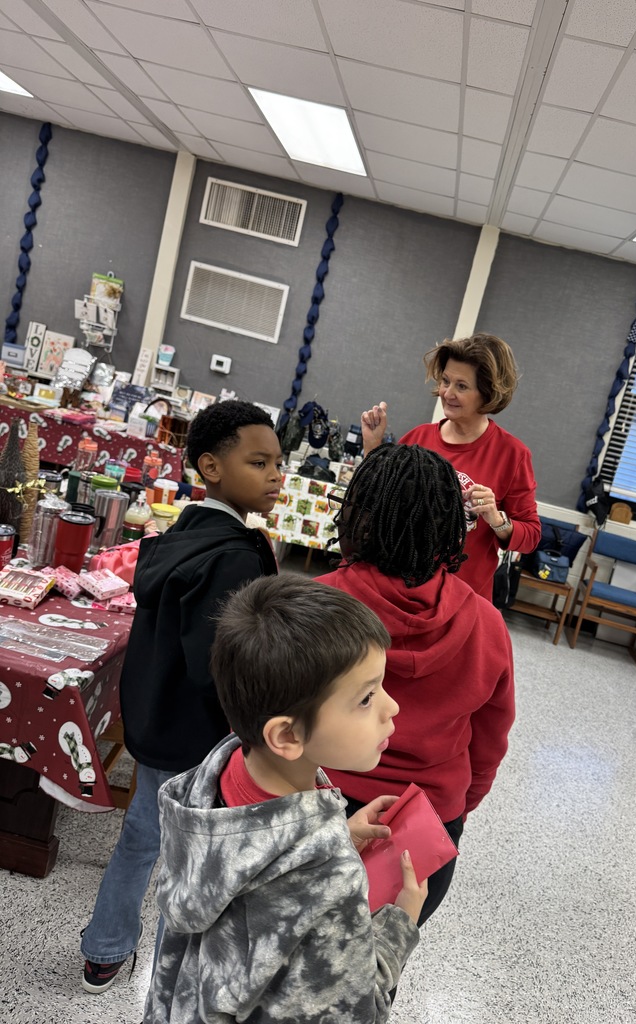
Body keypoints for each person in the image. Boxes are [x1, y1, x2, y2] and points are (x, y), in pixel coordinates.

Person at [144, 575, 424, 1024]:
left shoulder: (210, 783)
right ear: (287, 735)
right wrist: (399, 925)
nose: (391, 708)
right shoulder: (331, 880)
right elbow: (351, 1012)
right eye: (367, 698)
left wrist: (335, 832)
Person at [80, 400, 283, 993]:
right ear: (211, 466)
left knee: (140, 837)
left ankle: (105, 946)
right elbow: (220, 666)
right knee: (192, 859)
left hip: (154, 723)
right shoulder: (234, 557)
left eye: (278, 462)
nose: (276, 475)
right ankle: (171, 970)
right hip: (202, 736)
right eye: (259, 462)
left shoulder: (181, 535)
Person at [321, 443, 516, 924]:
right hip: (427, 819)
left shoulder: (315, 604)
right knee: (378, 965)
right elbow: (491, 739)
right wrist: (456, 811)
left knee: (287, 958)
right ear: (452, 525)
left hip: (316, 804)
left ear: (358, 515)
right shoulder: (487, 625)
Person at [361, 332, 541, 601]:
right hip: (402, 590)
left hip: (462, 601)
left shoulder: (512, 455)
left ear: (487, 392)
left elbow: (531, 536)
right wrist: (372, 448)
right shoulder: (417, 438)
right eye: (445, 381)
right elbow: (376, 504)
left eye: (462, 386)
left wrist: (496, 519)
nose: (447, 393)